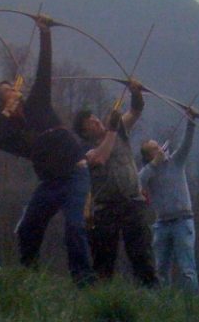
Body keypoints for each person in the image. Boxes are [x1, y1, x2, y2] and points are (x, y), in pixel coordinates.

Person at [0, 16, 94, 286]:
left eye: (13, 88)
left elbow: (44, 70)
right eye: (9, 91)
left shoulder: (37, 103)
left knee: (74, 227)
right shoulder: (7, 130)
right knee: (27, 229)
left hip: (76, 173)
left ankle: (84, 283)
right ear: (2, 103)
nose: (15, 90)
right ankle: (29, 278)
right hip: (51, 182)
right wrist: (7, 112)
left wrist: (44, 33)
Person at [73, 82, 158, 287]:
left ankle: (152, 295)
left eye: (93, 117)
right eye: (89, 123)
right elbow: (101, 157)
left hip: (133, 202)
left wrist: (135, 91)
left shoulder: (119, 130)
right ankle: (102, 300)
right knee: (104, 261)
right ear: (85, 133)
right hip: (106, 209)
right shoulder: (86, 150)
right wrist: (111, 130)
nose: (94, 121)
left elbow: (136, 110)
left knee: (142, 256)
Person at [138, 108, 199, 294]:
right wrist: (154, 164)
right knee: (160, 271)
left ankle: (193, 308)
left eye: (159, 147)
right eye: (154, 149)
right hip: (162, 224)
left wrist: (190, 121)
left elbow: (186, 144)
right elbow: (137, 182)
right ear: (149, 156)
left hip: (182, 221)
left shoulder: (175, 161)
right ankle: (161, 306)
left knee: (187, 269)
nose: (160, 150)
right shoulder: (149, 171)